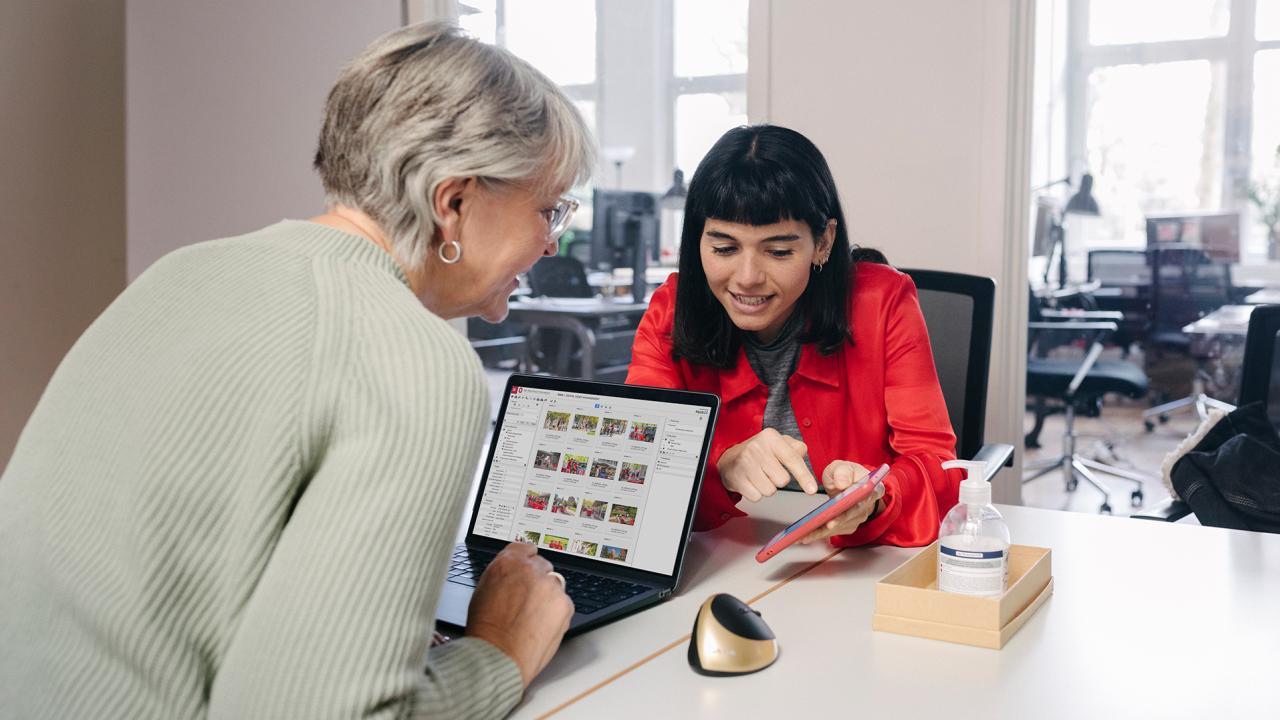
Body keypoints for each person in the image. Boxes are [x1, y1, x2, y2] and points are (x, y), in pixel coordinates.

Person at [0, 21, 593, 719]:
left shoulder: (181, 272)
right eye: (548, 210)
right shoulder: (414, 356)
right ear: (454, 202)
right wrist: (499, 650)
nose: (552, 241)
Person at [626, 124, 962, 548]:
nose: (747, 279)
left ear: (823, 243)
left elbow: (938, 467)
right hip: (723, 563)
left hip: (856, 570)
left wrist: (877, 496)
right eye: (724, 248)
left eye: (779, 251)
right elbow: (636, 472)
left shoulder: (883, 301)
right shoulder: (670, 313)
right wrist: (723, 464)